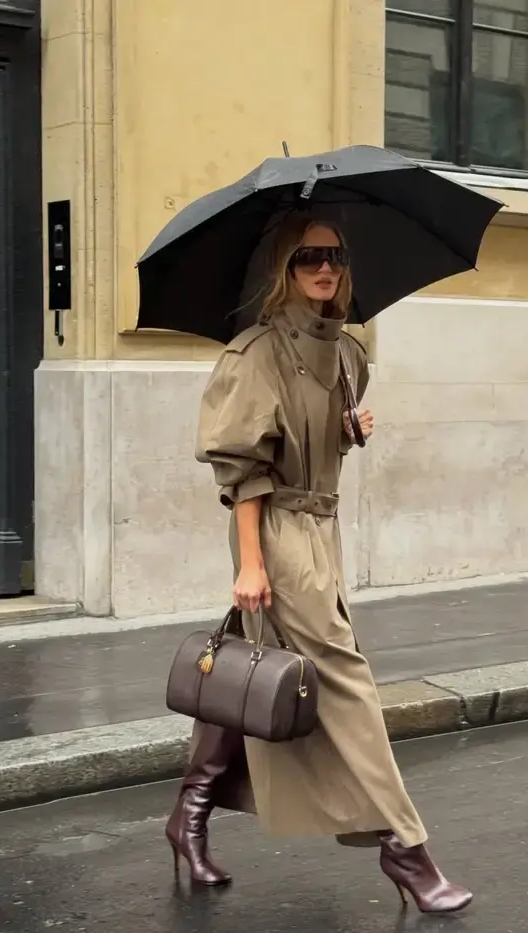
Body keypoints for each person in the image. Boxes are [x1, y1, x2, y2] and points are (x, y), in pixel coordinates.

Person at [165, 212, 473, 914]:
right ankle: (407, 846)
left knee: (251, 664)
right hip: (276, 530)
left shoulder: (346, 351)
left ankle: (188, 812)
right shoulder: (255, 354)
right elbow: (243, 469)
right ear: (284, 268)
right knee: (344, 681)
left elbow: (314, 432)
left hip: (323, 530)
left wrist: (346, 427)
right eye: (307, 257)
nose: (324, 268)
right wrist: (251, 562)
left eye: (333, 255)